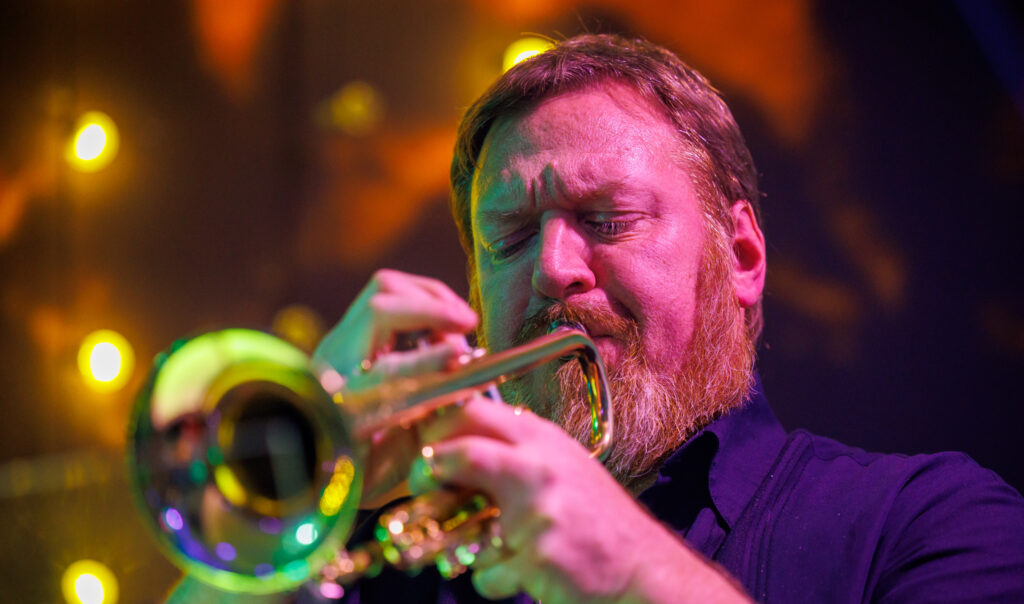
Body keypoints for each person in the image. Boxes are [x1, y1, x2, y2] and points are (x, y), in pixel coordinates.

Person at [310, 34, 1024, 603]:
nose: (553, 268)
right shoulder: (396, 568)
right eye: (513, 238)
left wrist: (628, 571)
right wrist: (301, 484)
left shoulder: (929, 522)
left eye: (608, 218)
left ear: (741, 256)